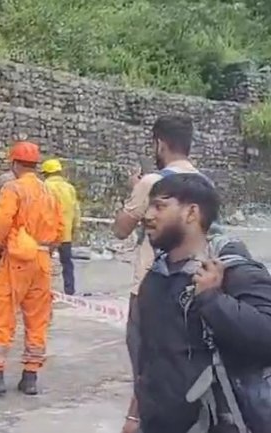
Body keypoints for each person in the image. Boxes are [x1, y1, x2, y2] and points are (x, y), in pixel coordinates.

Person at [135, 173, 271, 433]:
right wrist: (135, 416)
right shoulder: (155, 277)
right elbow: (148, 357)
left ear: (191, 213)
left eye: (160, 206)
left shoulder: (234, 272)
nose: (148, 215)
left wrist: (212, 300)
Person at [111, 115, 203, 432]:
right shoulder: (204, 183)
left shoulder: (153, 183)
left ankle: (139, 420)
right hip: (192, 283)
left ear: (159, 143)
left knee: (147, 359)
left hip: (151, 286)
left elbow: (121, 229)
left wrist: (135, 192)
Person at [0, 141, 63, 397]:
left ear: (14, 164)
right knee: (37, 319)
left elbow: (2, 223)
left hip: (17, 259)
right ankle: (30, 376)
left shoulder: (13, 188)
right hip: (43, 260)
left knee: (3, 316)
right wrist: (48, 249)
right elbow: (60, 230)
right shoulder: (50, 192)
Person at [42, 158, 81, 295]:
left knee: (44, 262)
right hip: (66, 233)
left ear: (46, 173)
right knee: (67, 263)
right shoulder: (69, 188)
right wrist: (75, 227)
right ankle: (69, 290)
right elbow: (76, 210)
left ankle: (43, 289)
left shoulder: (44, 186)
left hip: (48, 233)